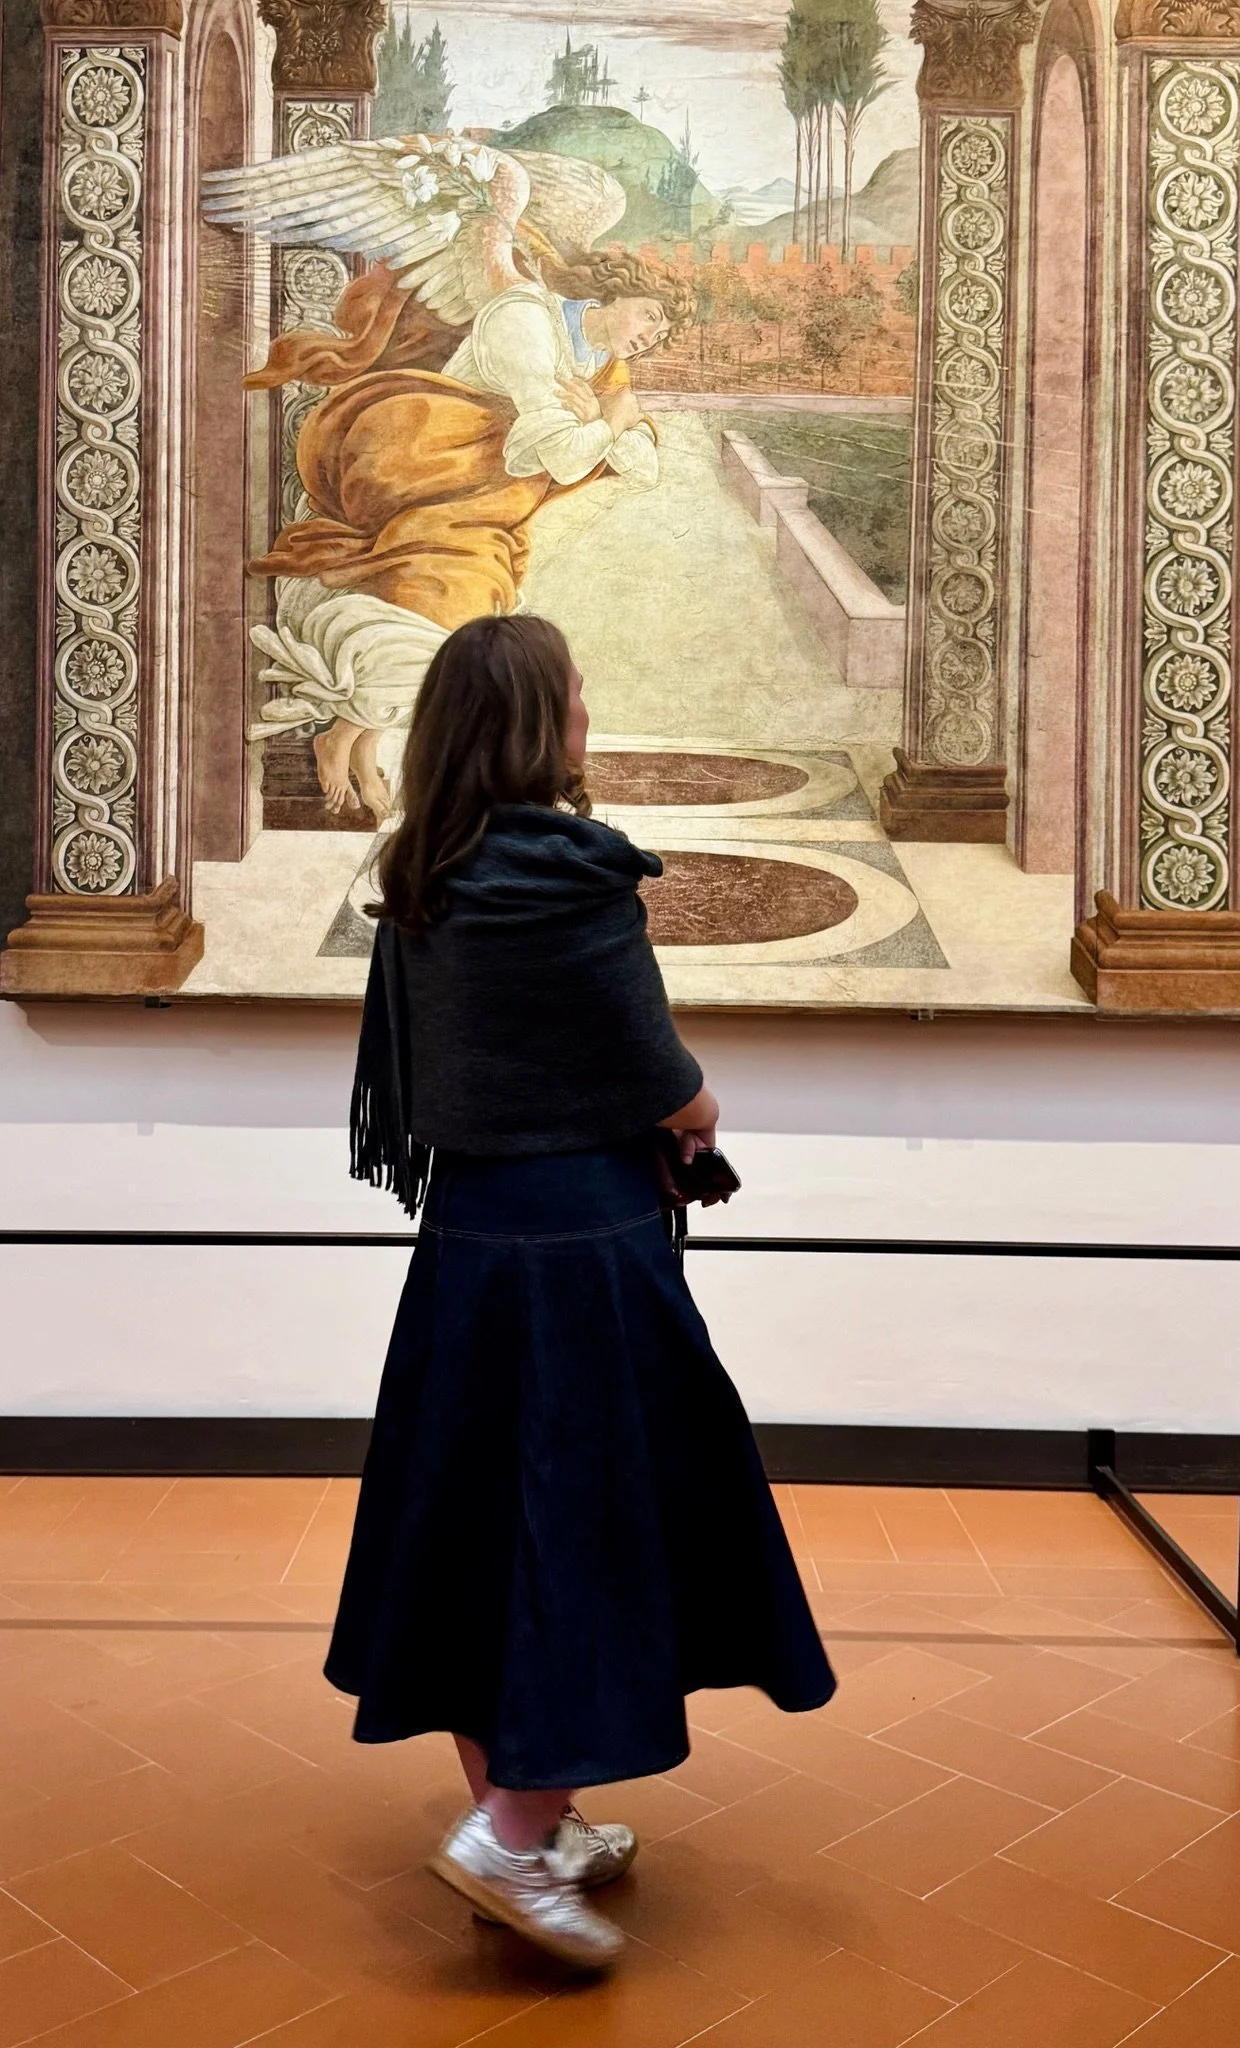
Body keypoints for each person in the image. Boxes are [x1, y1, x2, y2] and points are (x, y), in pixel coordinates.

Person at [325, 613, 835, 1970]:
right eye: (576, 697)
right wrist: (701, 1113)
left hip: (472, 1242)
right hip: (583, 1259)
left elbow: (448, 1081)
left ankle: (530, 1817)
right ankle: (508, 1836)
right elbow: (652, 1067)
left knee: (485, 1527)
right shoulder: (572, 878)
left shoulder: (420, 877)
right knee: (586, 1531)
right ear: (542, 726)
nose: (590, 715)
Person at [244, 249, 691, 820]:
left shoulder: (601, 364)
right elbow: (564, 454)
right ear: (614, 292)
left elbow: (646, 467)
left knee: (478, 617)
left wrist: (604, 422)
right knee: (444, 613)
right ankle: (342, 735)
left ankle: (361, 739)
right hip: (420, 458)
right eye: (651, 315)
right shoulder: (527, 319)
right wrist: (610, 421)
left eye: (665, 331)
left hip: (483, 498)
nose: (654, 336)